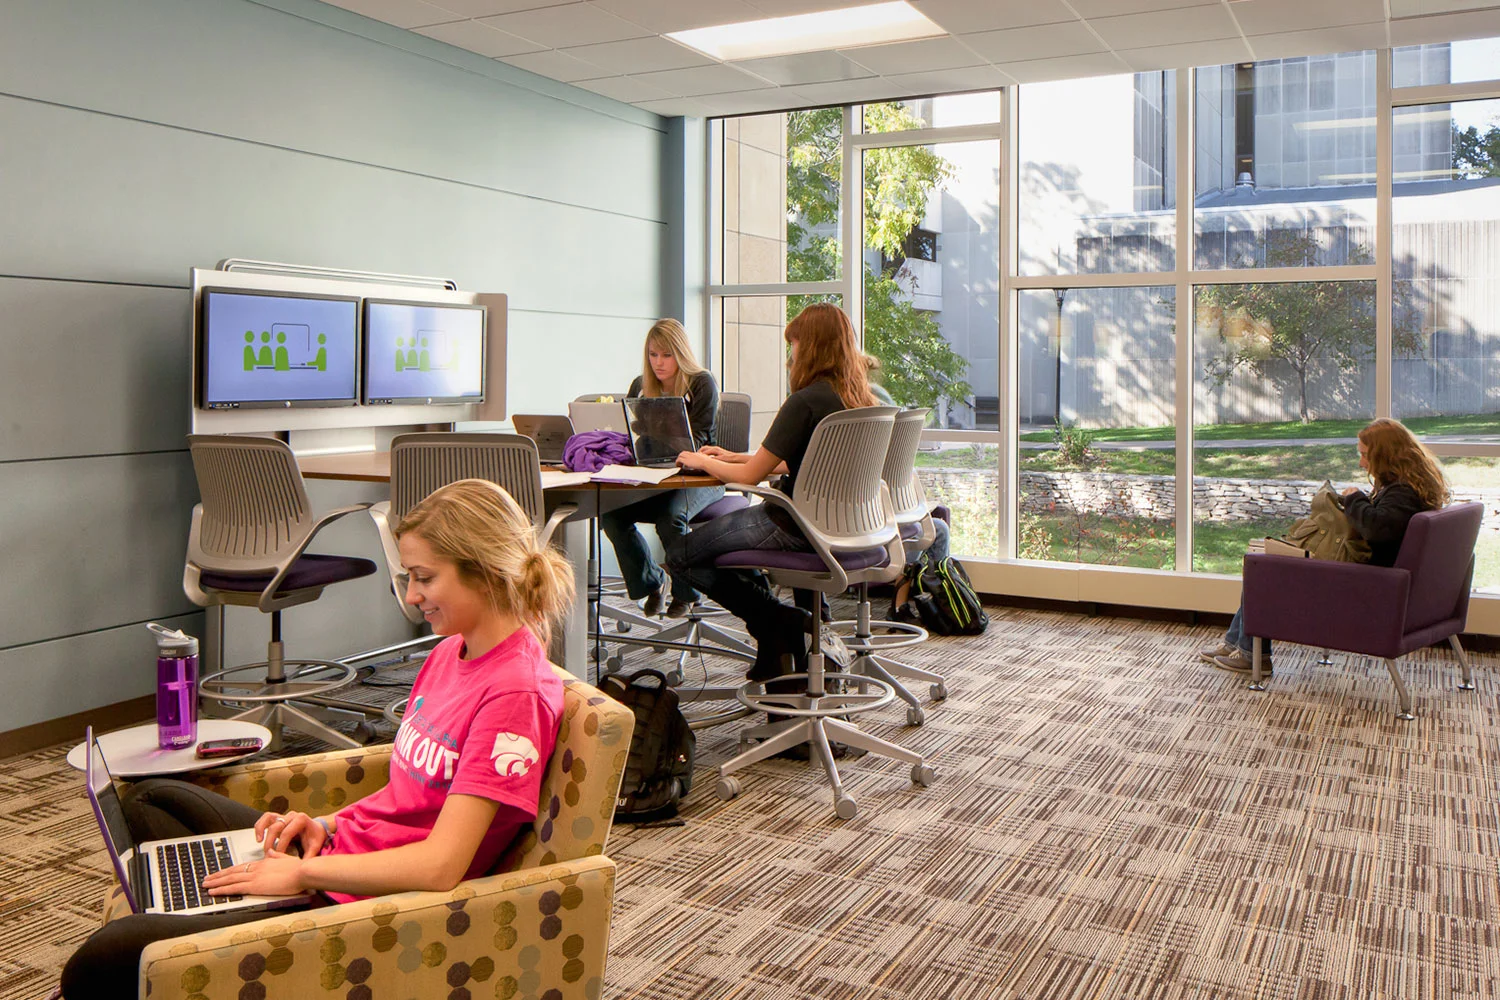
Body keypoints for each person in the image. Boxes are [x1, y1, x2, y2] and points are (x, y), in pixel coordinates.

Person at [60, 480, 573, 998]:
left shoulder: (515, 694)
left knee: (105, 959)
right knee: (151, 800)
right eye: (409, 577)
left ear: (484, 573)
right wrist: (324, 824)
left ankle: (189, 929)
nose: (412, 596)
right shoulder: (448, 653)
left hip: (360, 901)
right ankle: (196, 917)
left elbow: (441, 866)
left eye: (424, 578)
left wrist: (305, 876)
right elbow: (408, 798)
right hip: (338, 858)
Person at [666, 302, 879, 683]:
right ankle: (775, 637)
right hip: (844, 526)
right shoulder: (859, 398)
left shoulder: (804, 401)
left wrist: (702, 461)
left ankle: (782, 620)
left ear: (810, 347)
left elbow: (751, 477)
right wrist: (731, 455)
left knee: (681, 553)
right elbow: (791, 462)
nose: (790, 354)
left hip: (792, 524)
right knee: (719, 552)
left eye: (793, 344)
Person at [1202, 417, 1449, 675]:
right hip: (1373, 581)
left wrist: (1355, 498)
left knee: (1263, 569)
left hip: (1362, 585)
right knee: (1266, 559)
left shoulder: (1402, 494)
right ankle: (1236, 644)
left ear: (1385, 456)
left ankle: (1252, 656)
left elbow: (1376, 529)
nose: (1361, 463)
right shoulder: (1410, 490)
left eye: (1365, 455)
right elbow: (1382, 526)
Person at [600, 318, 724, 618]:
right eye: (653, 355)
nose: (659, 362)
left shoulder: (701, 383)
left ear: (680, 354)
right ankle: (651, 582)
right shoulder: (640, 386)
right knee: (612, 515)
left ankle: (687, 592)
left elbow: (698, 441)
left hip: (703, 477)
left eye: (667, 355)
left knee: (670, 518)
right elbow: (634, 436)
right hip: (655, 477)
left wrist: (658, 436)